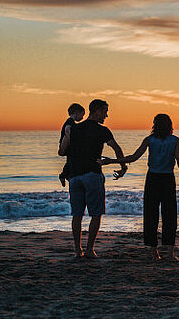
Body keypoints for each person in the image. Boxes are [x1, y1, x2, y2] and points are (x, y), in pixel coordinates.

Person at [109, 114, 179, 261]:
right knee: (170, 215)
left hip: (153, 179)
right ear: (170, 125)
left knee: (150, 215)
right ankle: (170, 253)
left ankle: (154, 252)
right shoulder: (175, 140)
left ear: (155, 125)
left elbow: (133, 157)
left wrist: (113, 161)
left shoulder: (150, 140)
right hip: (167, 179)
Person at [57, 99, 127, 259]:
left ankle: (77, 250)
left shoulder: (74, 128)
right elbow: (116, 148)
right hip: (92, 175)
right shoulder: (102, 130)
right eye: (104, 111)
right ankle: (89, 249)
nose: (106, 115)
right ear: (96, 111)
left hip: (74, 176)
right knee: (96, 213)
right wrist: (123, 167)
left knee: (77, 214)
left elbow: (63, 151)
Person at [58, 103, 85, 187]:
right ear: (76, 112)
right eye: (82, 115)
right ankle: (63, 175)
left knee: (70, 160)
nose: (82, 118)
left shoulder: (70, 121)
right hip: (67, 144)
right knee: (71, 160)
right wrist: (71, 141)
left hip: (67, 144)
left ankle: (65, 175)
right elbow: (67, 130)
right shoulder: (70, 121)